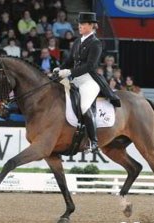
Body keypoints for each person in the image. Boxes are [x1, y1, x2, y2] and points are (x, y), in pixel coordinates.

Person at [55, 12, 120, 153]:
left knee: (84, 106)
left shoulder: (96, 43)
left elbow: (90, 66)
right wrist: (59, 69)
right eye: (79, 23)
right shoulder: (78, 41)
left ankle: (94, 141)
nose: (79, 26)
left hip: (89, 80)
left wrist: (70, 72)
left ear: (91, 25)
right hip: (75, 78)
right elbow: (70, 61)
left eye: (83, 24)